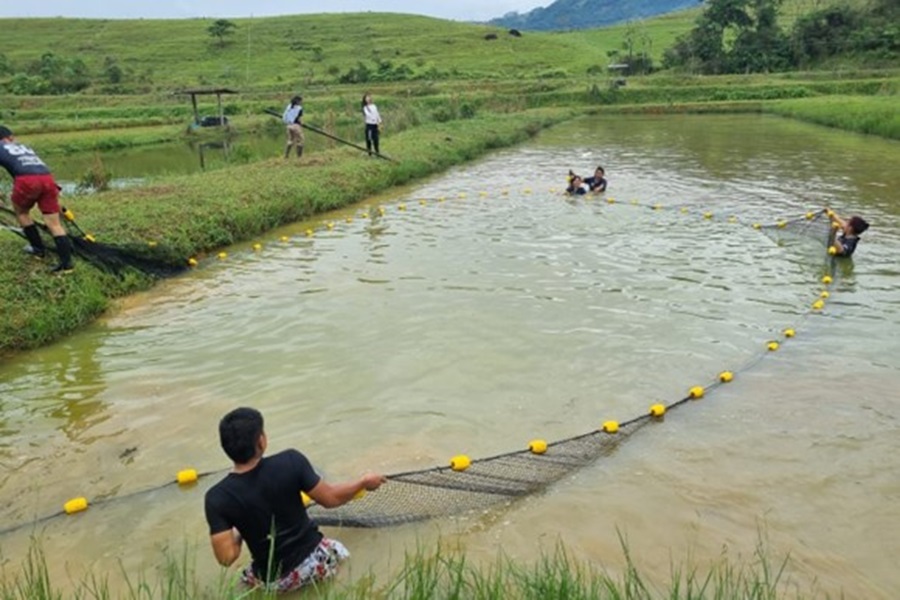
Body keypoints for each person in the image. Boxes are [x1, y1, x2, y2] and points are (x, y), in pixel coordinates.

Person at [204, 407, 386, 593]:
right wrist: (363, 482)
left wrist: (242, 529)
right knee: (338, 555)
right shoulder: (291, 461)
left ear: (225, 448)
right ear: (261, 441)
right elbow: (331, 499)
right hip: (315, 563)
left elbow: (226, 558)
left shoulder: (217, 497)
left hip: (272, 582)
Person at [0, 125, 74, 273]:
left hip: (27, 180)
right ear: (9, 137)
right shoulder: (24, 147)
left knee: (21, 213)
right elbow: (38, 167)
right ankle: (67, 265)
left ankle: (38, 250)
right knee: (54, 224)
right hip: (48, 179)